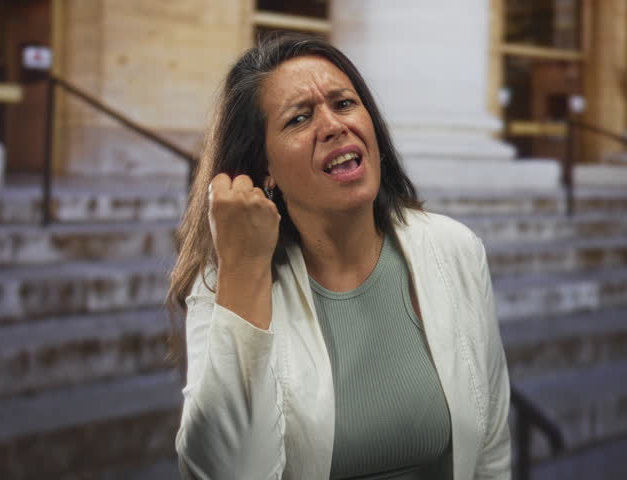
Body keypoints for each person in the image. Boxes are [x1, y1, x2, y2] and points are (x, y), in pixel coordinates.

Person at [168, 33, 511, 480]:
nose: (332, 125)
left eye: (344, 103)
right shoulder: (226, 282)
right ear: (264, 168)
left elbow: (490, 451)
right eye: (299, 118)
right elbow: (227, 472)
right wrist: (245, 269)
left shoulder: (454, 248)